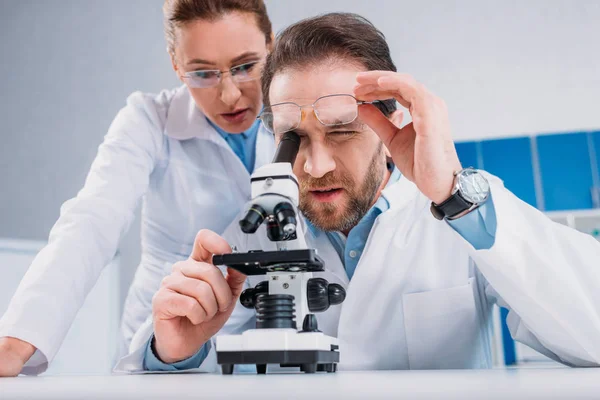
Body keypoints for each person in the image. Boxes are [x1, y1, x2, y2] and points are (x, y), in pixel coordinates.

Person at [116, 12, 600, 373]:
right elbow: (162, 376)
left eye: (343, 131)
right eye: (294, 137)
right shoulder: (252, 238)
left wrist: (452, 195)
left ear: (390, 123)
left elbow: (591, 334)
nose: (316, 166)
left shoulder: (465, 211)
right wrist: (172, 355)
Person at [0, 0, 276, 377]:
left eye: (245, 66)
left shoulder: (297, 121)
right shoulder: (149, 121)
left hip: (268, 334)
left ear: (271, 46)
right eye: (202, 74)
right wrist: (18, 338)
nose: (229, 95)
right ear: (176, 63)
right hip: (162, 342)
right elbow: (92, 220)